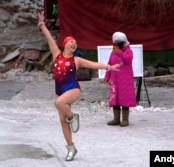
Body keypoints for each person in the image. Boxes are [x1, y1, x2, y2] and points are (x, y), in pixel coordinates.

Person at [37, 11, 120, 161]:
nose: (74, 43)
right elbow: (49, 38)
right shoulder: (57, 54)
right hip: (59, 90)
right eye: (71, 41)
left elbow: (94, 64)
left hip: (73, 89)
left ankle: (73, 116)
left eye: (75, 42)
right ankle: (71, 148)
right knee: (63, 122)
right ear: (65, 44)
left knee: (58, 103)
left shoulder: (77, 60)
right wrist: (42, 24)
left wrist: (109, 67)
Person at [104, 32, 137, 127]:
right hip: (114, 80)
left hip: (125, 80)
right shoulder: (112, 52)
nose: (117, 43)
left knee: (125, 99)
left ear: (124, 41)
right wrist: (107, 76)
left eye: (119, 42)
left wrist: (118, 52)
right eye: (115, 42)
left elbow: (127, 60)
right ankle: (116, 119)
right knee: (115, 99)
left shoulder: (128, 51)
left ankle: (125, 119)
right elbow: (109, 64)